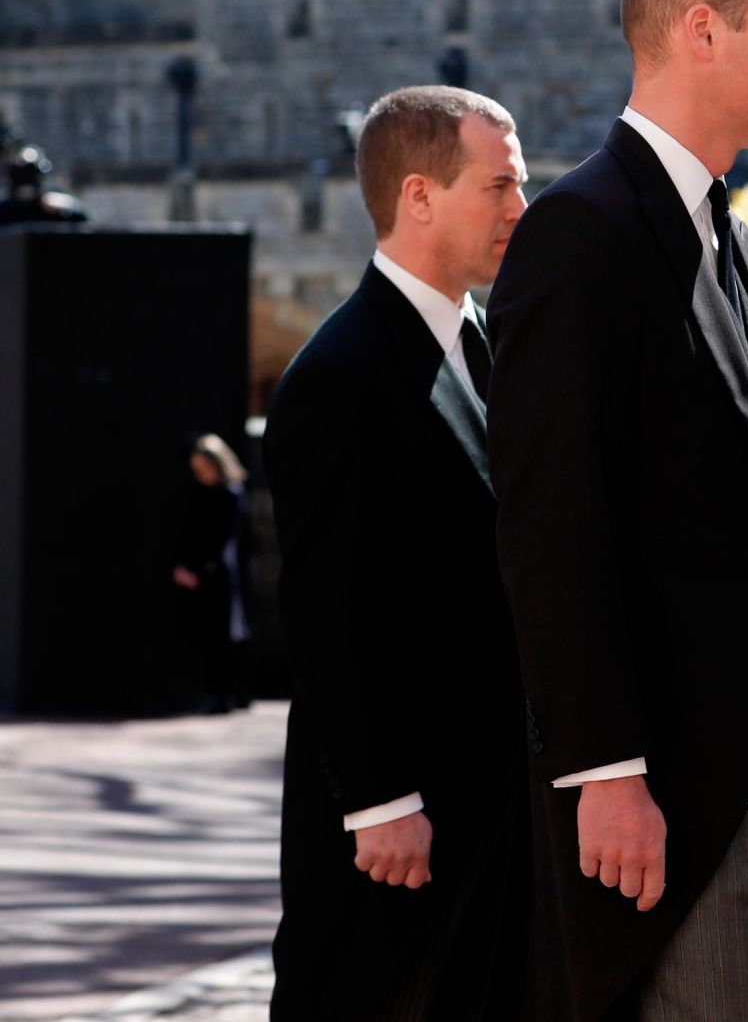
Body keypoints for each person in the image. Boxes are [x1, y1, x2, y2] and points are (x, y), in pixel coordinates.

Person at [487, 0, 748, 1021]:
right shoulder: (579, 231)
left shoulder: (735, 243)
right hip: (665, 763)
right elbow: (551, 522)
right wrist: (602, 769)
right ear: (701, 32)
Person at [264, 85, 530, 1020]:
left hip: (494, 808)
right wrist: (381, 801)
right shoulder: (339, 373)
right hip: (395, 828)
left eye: (519, 184)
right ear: (418, 195)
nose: (518, 209)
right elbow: (333, 608)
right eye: (498, 185)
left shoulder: (481, 342)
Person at [172, 432, 250, 713]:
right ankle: (209, 693)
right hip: (198, 572)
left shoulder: (230, 494)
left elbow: (223, 539)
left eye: (204, 470)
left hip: (217, 574)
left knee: (224, 636)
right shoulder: (201, 493)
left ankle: (225, 694)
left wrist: (201, 570)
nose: (200, 475)